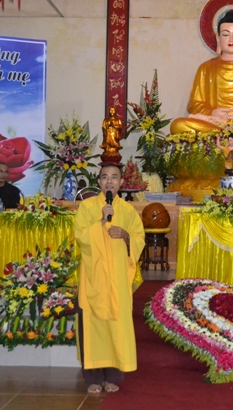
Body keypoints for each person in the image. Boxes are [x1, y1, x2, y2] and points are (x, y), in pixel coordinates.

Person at [74, 163, 145, 394]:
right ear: (99, 181)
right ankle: (93, 378)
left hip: (118, 279)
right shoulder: (87, 207)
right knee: (93, 326)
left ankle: (112, 376)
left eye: (114, 177)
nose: (109, 181)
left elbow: (139, 239)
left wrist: (126, 236)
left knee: (116, 325)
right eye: (105, 177)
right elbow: (81, 238)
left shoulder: (128, 211)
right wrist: (101, 223)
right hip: (93, 278)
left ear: (121, 182)